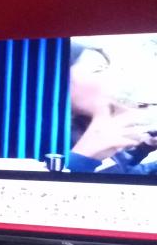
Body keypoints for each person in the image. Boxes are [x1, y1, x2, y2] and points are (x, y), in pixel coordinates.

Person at [67, 41, 157, 174]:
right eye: (98, 70)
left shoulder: (86, 127)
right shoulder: (42, 139)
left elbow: (118, 171)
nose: (111, 79)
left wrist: (144, 147)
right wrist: (82, 156)